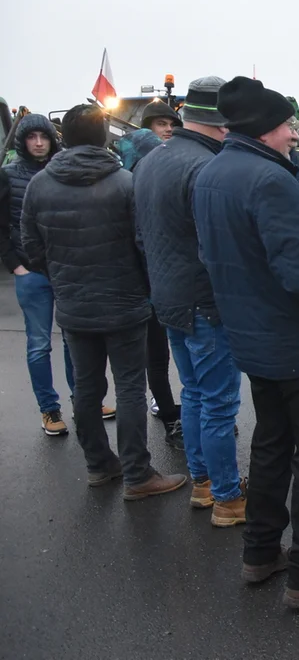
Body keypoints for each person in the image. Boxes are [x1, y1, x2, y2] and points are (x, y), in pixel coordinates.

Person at [193, 77, 299, 607]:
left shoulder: (213, 173)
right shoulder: (271, 182)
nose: (294, 134)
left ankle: (260, 552)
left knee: (271, 447)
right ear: (266, 130)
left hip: (256, 342)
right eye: (288, 125)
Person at [21, 104, 187, 499]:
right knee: (129, 387)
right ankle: (137, 474)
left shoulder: (39, 185)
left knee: (86, 386)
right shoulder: (125, 183)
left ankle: (99, 465)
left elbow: (31, 248)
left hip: (73, 304)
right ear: (104, 138)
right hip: (125, 301)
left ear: (64, 137)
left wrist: (62, 277)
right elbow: (146, 245)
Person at [134, 75, 246, 525]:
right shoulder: (204, 167)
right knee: (219, 402)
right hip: (204, 300)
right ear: (222, 124)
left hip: (168, 297)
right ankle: (227, 498)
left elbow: (142, 237)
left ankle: (202, 483)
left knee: (196, 393)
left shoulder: (150, 160)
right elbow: (214, 247)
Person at [0, 113, 77, 436]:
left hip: (66, 268)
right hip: (30, 271)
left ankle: (85, 401)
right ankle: (49, 409)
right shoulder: (7, 176)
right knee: (38, 344)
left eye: (43, 136)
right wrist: (15, 264)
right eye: (31, 137)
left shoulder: (64, 170)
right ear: (23, 140)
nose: (38, 143)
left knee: (75, 340)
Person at [116, 128, 185, 450]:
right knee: (162, 357)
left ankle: (173, 416)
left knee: (156, 357)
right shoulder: (138, 186)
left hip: (141, 285)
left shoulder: (129, 182)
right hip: (150, 285)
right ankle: (177, 419)